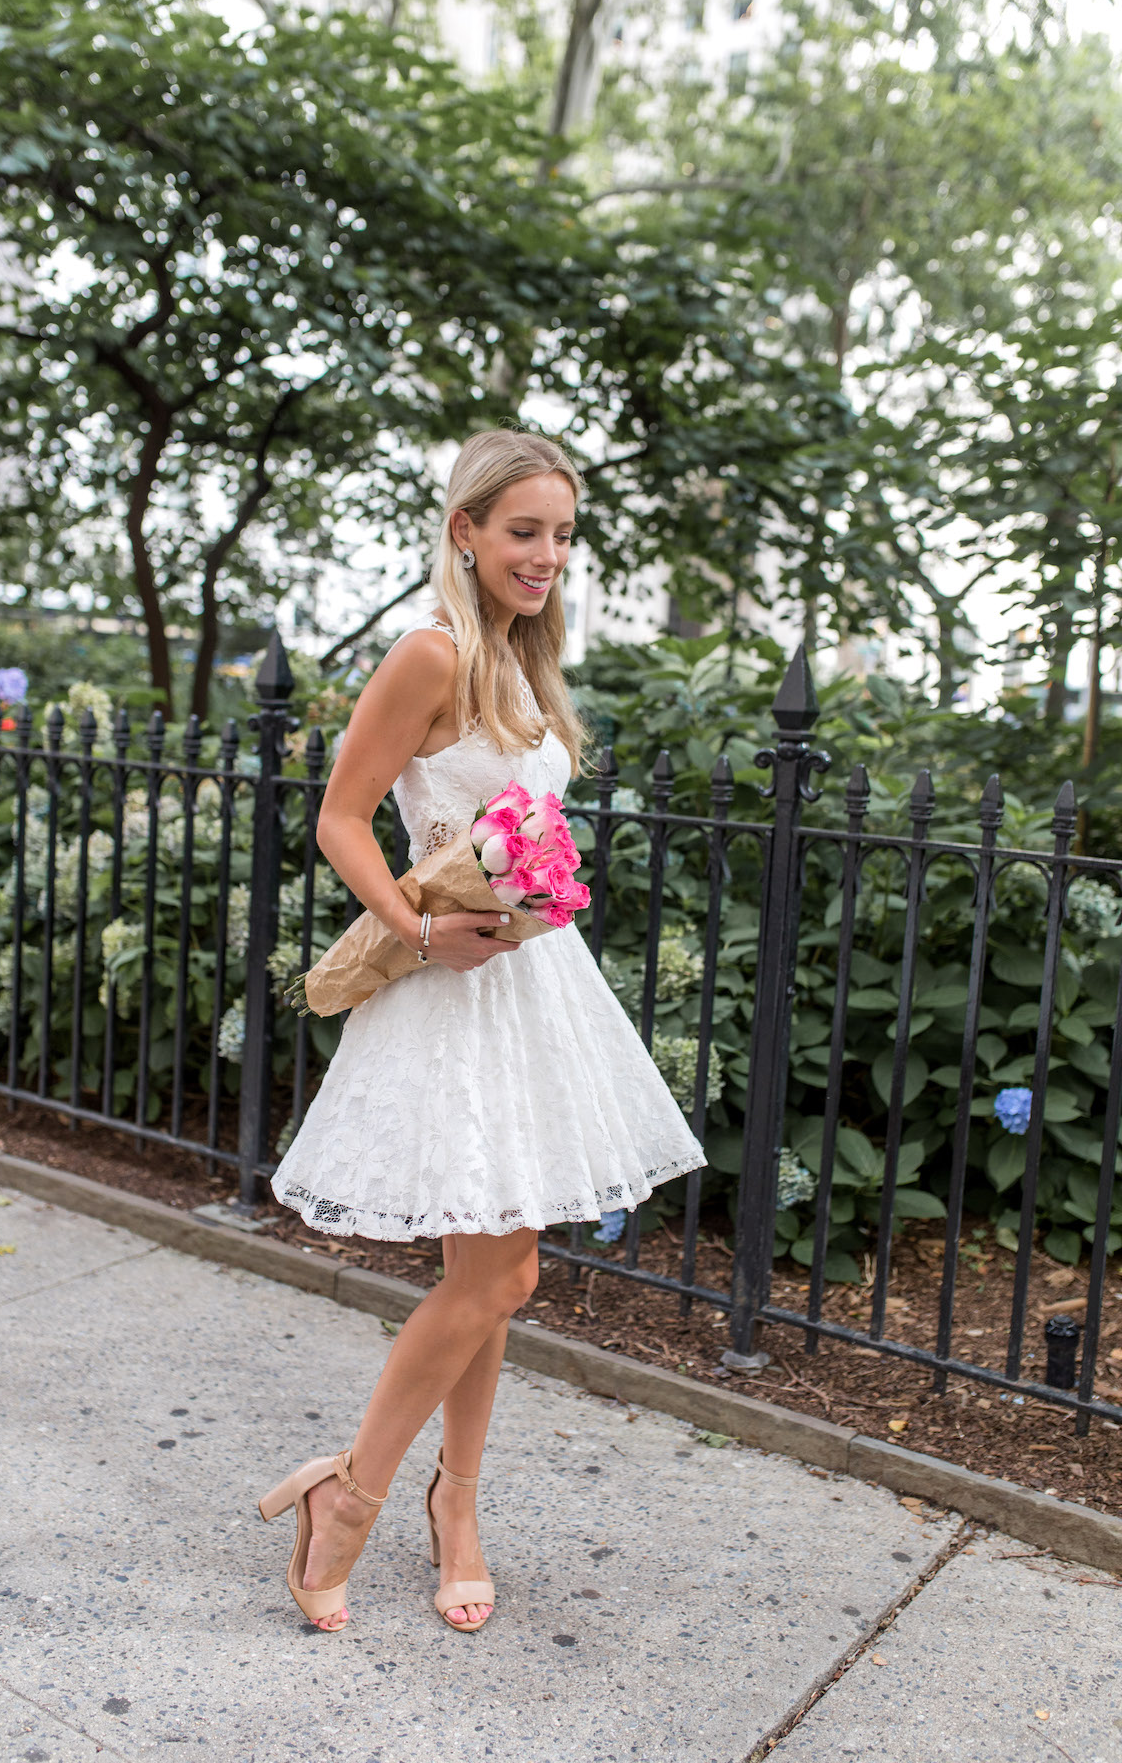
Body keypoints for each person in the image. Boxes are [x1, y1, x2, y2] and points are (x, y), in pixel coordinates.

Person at [261, 429, 707, 1634]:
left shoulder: (524, 667)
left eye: (561, 535)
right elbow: (343, 819)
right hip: (451, 987)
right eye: (524, 531)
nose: (547, 555)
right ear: (466, 531)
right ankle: (349, 1497)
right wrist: (416, 923)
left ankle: (454, 1509)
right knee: (502, 1273)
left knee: (495, 1278)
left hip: (531, 988)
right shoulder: (432, 654)